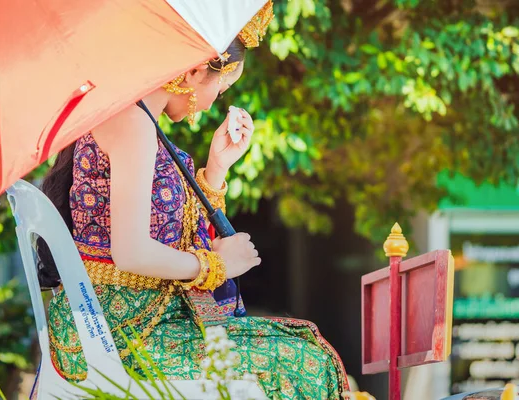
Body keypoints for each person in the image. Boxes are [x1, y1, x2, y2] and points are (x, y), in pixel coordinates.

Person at [43, 2, 349, 398]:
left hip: (137, 323)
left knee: (304, 349)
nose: (214, 100)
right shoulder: (132, 124)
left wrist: (216, 169)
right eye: (220, 87)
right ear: (192, 71)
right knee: (301, 361)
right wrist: (216, 265)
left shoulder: (137, 119)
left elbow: (168, 229)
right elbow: (132, 251)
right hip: (119, 335)